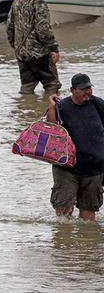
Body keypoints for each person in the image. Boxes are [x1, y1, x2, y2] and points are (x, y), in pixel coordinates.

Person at [46, 73, 104, 221]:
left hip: (93, 169)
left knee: (88, 217)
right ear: (72, 90)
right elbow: (51, 130)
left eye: (89, 88)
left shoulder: (98, 105)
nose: (88, 92)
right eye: (83, 89)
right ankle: (65, 242)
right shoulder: (62, 106)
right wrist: (52, 107)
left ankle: (85, 242)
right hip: (67, 168)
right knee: (63, 214)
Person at [7, 0, 61, 94]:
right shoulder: (39, 3)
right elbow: (43, 29)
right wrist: (54, 48)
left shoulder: (16, 2)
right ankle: (49, 111)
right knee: (52, 86)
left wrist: (16, 46)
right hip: (40, 54)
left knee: (27, 88)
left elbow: (10, 28)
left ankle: (26, 110)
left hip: (21, 54)